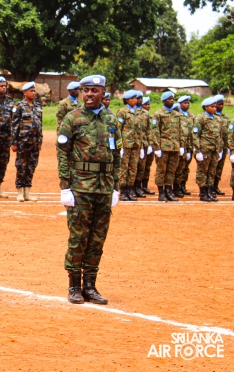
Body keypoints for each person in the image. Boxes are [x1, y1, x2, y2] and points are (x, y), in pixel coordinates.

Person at [56, 74, 121, 305]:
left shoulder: (111, 120)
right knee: (78, 237)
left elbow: (116, 156)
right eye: (86, 90)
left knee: (97, 238)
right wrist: (65, 187)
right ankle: (74, 286)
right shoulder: (72, 119)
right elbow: (62, 154)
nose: (89, 94)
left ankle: (90, 286)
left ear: (103, 93)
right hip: (80, 187)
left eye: (94, 90)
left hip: (104, 188)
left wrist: (116, 187)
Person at [11, 82, 43, 202]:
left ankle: (27, 191)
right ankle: (20, 191)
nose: (33, 93)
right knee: (21, 166)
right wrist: (14, 142)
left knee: (31, 166)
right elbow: (14, 125)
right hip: (22, 141)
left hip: (34, 142)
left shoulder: (38, 106)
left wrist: (40, 141)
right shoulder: (19, 106)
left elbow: (40, 124)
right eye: (31, 91)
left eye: (34, 91)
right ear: (25, 93)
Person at [151, 91, 183, 202]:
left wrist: (181, 145)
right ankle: (161, 192)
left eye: (172, 99)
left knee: (171, 170)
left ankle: (169, 191)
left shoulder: (177, 114)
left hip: (175, 147)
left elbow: (180, 131)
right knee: (161, 170)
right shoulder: (158, 114)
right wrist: (157, 147)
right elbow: (155, 131)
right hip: (163, 147)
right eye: (169, 99)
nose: (172, 101)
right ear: (164, 101)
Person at [194, 97, 223, 202]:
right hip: (204, 149)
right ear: (206, 107)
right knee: (203, 171)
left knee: (212, 171)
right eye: (212, 106)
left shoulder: (217, 119)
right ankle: (203, 192)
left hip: (215, 149)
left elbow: (219, 135)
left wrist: (220, 149)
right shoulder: (200, 118)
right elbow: (195, 135)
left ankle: (209, 191)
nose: (215, 108)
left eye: (215, 106)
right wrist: (197, 151)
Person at [116, 90, 141, 201]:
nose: (135, 100)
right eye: (133, 98)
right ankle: (123, 191)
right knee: (124, 168)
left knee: (133, 168)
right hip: (126, 145)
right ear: (126, 100)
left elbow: (140, 130)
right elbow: (117, 130)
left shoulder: (138, 112)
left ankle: (130, 189)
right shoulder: (122, 112)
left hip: (136, 144)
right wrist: (119, 146)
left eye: (136, 98)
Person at [173, 96, 194, 197]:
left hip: (188, 145)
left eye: (188, 103)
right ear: (179, 104)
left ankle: (183, 185)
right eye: (184, 103)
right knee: (178, 167)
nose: (187, 105)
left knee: (185, 167)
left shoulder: (191, 116)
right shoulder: (177, 114)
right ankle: (176, 187)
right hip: (179, 145)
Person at [137, 97, 156, 195]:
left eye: (148, 104)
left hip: (149, 145)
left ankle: (144, 186)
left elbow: (152, 131)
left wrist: (151, 144)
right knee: (139, 167)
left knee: (147, 167)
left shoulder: (150, 116)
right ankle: (137, 187)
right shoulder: (138, 116)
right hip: (141, 145)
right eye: (145, 104)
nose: (148, 106)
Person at [213, 95, 229, 195]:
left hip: (223, 146)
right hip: (214, 146)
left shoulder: (225, 117)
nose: (221, 106)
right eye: (219, 104)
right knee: (212, 168)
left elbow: (227, 133)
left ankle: (216, 186)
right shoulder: (212, 116)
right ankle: (209, 187)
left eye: (222, 104)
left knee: (219, 167)